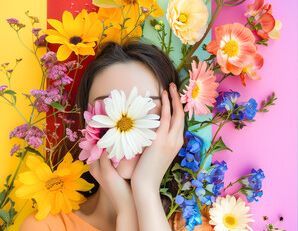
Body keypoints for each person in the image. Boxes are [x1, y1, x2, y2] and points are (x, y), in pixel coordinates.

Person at [20, 40, 186, 231]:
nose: (126, 130)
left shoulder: (198, 223)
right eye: (108, 105)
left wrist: (146, 189)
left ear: (174, 121)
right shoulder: (45, 227)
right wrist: (126, 211)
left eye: (147, 107)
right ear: (85, 124)